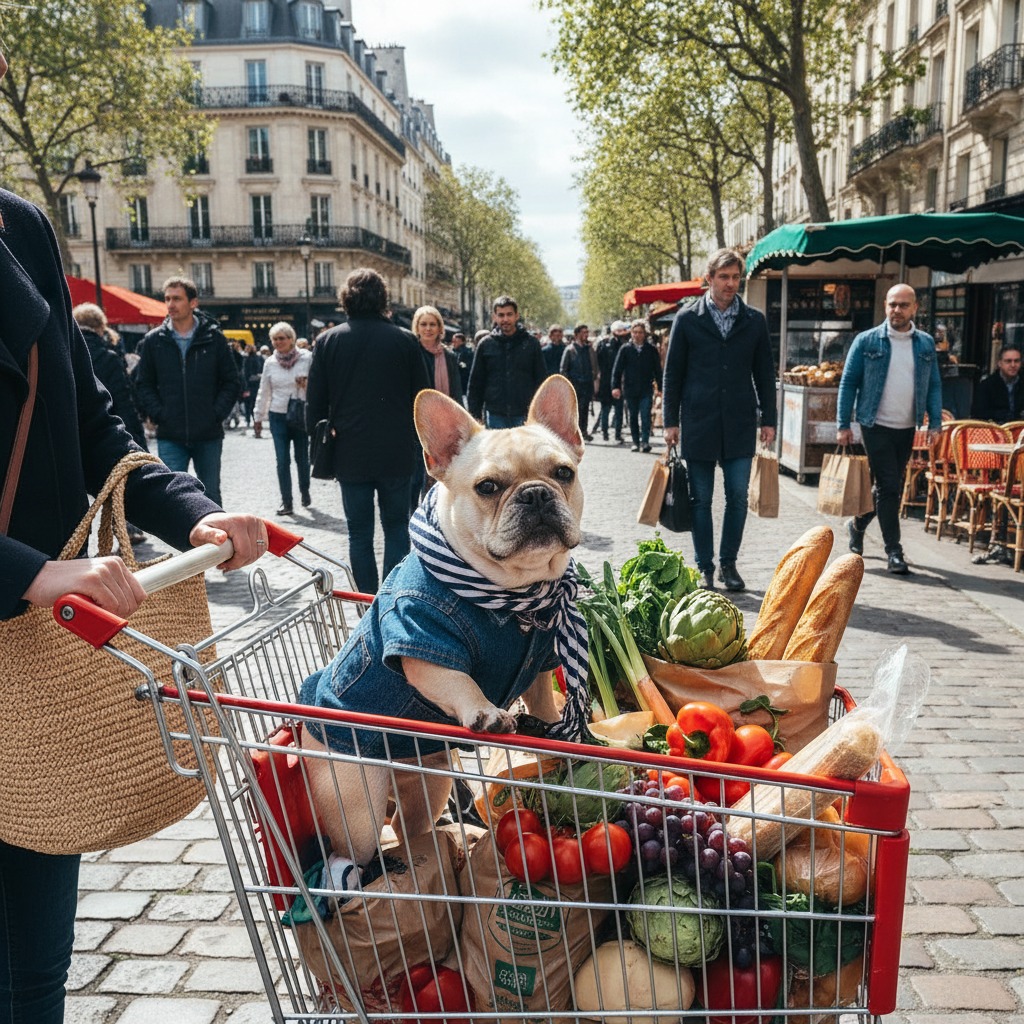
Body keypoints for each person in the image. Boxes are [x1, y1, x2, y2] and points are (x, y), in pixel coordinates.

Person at [0, 129, 267, 1021]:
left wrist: (194, 511)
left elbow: (94, 421)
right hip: (28, 598)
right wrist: (34, 572)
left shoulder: (21, 229)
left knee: (35, 968)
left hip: (32, 665)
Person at [305, 268, 428, 593]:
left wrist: (322, 435)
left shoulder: (328, 341)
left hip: (349, 450)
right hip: (396, 450)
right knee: (396, 526)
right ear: (383, 298)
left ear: (346, 298)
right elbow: (423, 399)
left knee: (359, 532)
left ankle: (365, 600)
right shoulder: (405, 340)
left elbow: (313, 405)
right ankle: (390, 596)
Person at [662, 248, 776, 592]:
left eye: (736, 277)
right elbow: (673, 374)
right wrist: (670, 421)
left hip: (740, 422)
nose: (730, 284)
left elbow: (765, 375)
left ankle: (729, 564)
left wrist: (768, 419)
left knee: (738, 497)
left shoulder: (754, 320)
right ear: (709, 279)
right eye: (723, 277)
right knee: (701, 499)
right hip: (698, 420)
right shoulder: (687, 318)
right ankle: (705, 567)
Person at [838, 283, 943, 575]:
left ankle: (857, 525)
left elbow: (934, 384)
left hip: (907, 425)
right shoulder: (867, 340)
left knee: (887, 487)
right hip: (875, 424)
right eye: (892, 304)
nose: (897, 310)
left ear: (915, 308)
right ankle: (893, 551)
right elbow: (848, 382)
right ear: (885, 305)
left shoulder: (924, 344)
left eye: (903, 305)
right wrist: (842, 424)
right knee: (889, 486)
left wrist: (936, 422)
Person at [134, 276, 240, 506]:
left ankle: (215, 542)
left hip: (208, 434)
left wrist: (215, 413)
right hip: (170, 434)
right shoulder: (154, 340)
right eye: (167, 299)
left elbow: (231, 381)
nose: (170, 304)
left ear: (193, 303)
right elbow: (143, 384)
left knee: (211, 495)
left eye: (177, 299)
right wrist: (160, 414)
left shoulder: (214, 338)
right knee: (172, 498)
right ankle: (180, 543)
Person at [73, 302, 151, 543]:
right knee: (116, 483)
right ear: (100, 327)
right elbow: (123, 400)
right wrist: (137, 439)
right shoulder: (108, 357)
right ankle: (125, 530)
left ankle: (75, 544)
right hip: (105, 432)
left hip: (70, 434)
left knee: (74, 495)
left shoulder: (65, 353)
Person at [253, 322, 313, 516]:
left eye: (282, 338)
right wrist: (258, 417)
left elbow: (317, 386)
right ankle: (286, 501)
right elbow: (264, 391)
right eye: (275, 339)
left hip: (300, 413)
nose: (278, 342)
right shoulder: (270, 362)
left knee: (302, 457)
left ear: (291, 339)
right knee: (282, 460)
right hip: (277, 415)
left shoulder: (307, 358)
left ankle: (305, 490)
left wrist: (306, 384)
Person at [410, 304, 463, 511]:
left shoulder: (448, 356)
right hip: (416, 423)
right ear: (417, 327)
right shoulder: (411, 352)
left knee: (439, 474)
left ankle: (432, 513)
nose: (428, 329)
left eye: (432, 324)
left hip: (443, 422)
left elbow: (456, 391)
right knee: (415, 477)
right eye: (423, 324)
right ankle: (413, 513)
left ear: (440, 327)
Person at [466, 295, 546, 428]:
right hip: (495, 415)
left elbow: (541, 381)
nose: (505, 319)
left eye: (509, 314)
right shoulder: (485, 345)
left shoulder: (531, 344)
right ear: (494, 317)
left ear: (516, 316)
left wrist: (542, 413)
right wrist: (475, 417)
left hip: (526, 416)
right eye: (501, 315)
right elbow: (475, 384)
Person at [612, 319, 662, 453]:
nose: (637, 335)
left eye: (640, 332)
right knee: (633, 416)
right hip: (630, 389)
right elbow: (617, 370)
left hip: (646, 388)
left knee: (645, 416)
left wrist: (661, 388)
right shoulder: (625, 349)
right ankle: (635, 442)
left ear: (644, 334)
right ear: (631, 334)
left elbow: (658, 370)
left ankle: (645, 441)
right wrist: (615, 387)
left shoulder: (651, 350)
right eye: (635, 332)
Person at [560, 323, 599, 441]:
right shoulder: (570, 350)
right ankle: (574, 434)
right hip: (575, 384)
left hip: (586, 384)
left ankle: (584, 431)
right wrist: (567, 384)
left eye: (587, 332)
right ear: (576, 334)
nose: (586, 335)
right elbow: (563, 369)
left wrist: (594, 380)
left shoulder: (589, 349)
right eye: (583, 333)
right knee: (575, 410)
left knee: (585, 408)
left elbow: (595, 367)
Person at [971, 346, 1023, 422]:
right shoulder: (986, 386)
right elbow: (978, 414)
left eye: (1016, 361)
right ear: (999, 363)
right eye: (1008, 361)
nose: (1013, 365)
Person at [595, 320, 627, 442]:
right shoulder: (617, 345)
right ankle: (610, 433)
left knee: (611, 409)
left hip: (610, 381)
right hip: (610, 381)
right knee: (609, 409)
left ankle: (610, 433)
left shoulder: (607, 344)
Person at [241, 343, 265, 429]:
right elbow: (244, 373)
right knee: (249, 404)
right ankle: (249, 419)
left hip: (255, 384)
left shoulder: (258, 358)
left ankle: (254, 420)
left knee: (253, 403)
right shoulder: (246, 359)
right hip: (250, 384)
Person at [451, 331, 473, 396]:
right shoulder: (451, 352)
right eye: (453, 341)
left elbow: (469, 366)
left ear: (462, 341)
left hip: (464, 381)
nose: (453, 343)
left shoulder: (468, 352)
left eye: (455, 341)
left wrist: (460, 365)